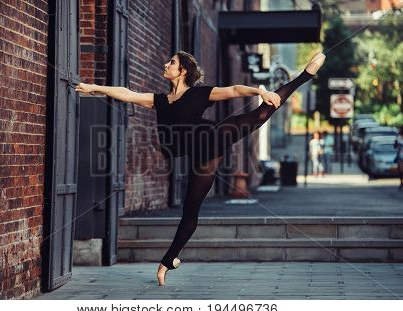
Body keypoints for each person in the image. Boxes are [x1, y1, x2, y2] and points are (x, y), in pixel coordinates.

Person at [75, 50, 326, 285]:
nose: (166, 65)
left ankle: (305, 75)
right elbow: (126, 93)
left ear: (182, 70)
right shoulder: (160, 101)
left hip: (214, 136)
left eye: (171, 62)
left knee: (260, 115)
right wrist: (94, 87)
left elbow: (234, 90)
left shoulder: (200, 94)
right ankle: (170, 260)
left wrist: (259, 91)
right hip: (199, 155)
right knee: (190, 209)